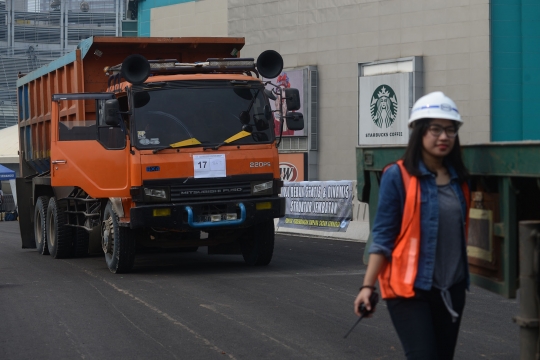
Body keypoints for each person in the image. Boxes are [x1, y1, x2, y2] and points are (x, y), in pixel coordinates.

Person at [354, 91, 471, 360]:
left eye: (451, 130)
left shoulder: (460, 180)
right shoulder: (398, 175)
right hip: (409, 289)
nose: (444, 136)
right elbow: (382, 235)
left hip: (451, 288)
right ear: (419, 131)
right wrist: (367, 287)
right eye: (436, 129)